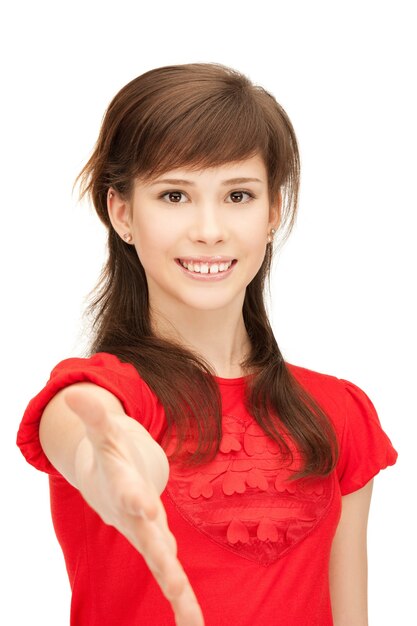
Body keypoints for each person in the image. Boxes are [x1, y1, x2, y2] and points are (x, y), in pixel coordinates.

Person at [17, 63, 398, 626]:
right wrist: (112, 466)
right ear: (122, 213)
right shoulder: (96, 395)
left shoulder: (338, 413)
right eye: (174, 196)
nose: (209, 228)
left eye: (238, 195)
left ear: (273, 212)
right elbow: (92, 446)